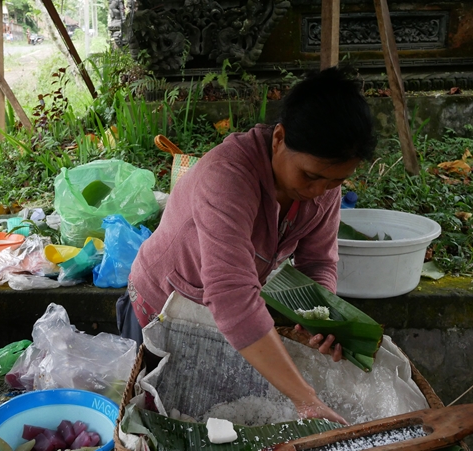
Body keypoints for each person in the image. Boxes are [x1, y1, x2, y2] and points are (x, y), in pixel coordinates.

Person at [117, 66, 377, 425]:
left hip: (221, 312)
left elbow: (317, 263)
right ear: (279, 138)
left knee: (211, 413)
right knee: (156, 415)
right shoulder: (227, 176)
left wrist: (319, 318)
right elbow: (232, 296)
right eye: (311, 176)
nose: (320, 191)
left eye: (336, 182)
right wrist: (305, 399)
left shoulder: (322, 188)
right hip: (162, 303)